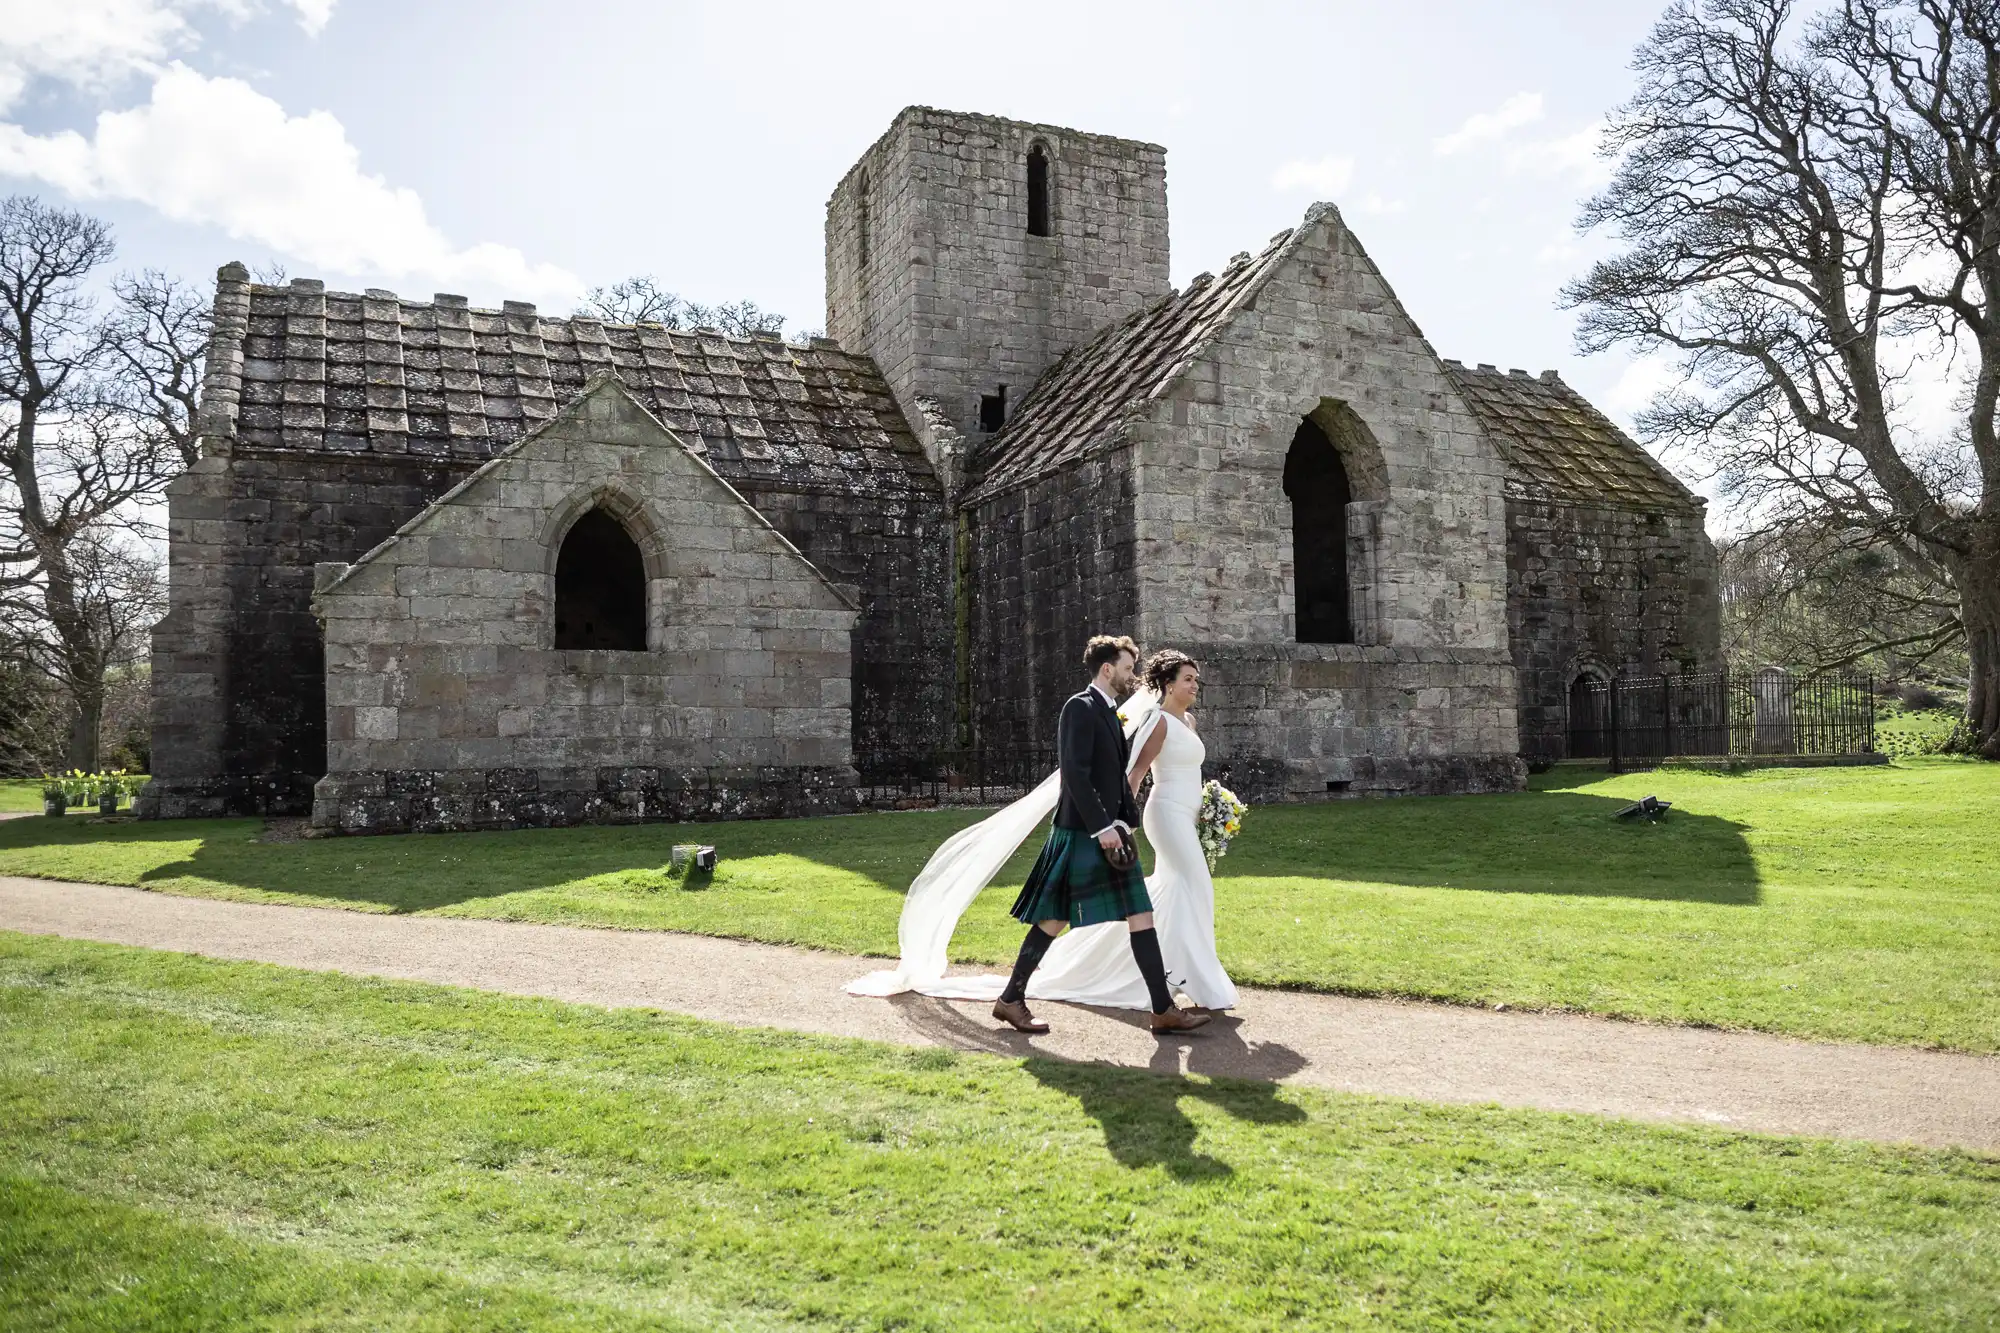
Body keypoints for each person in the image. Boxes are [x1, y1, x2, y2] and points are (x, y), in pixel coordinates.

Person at [846, 641, 1237, 1031]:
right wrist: (1103, 828)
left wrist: (1124, 820)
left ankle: (1161, 1010)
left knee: (1140, 913)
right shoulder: (1079, 708)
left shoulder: (1110, 713)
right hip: (1081, 831)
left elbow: (1117, 777)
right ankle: (1012, 999)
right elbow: (1076, 774)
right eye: (1126, 667)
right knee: (1054, 918)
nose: (1132, 676)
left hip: (1110, 831)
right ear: (1106, 669)